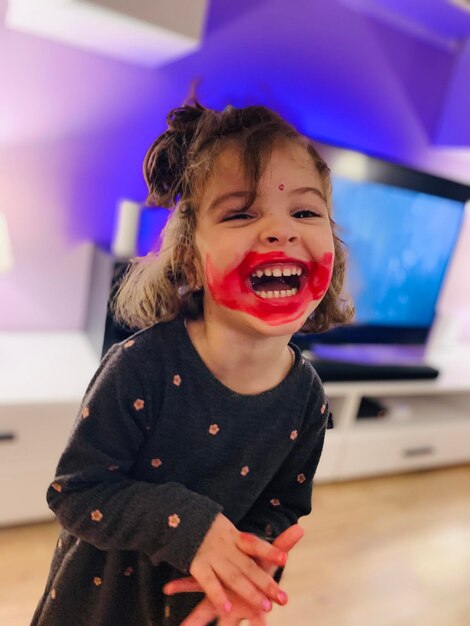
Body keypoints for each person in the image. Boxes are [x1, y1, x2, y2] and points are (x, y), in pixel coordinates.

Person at [31, 100, 353, 626]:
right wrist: (191, 526)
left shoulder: (307, 400)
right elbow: (76, 493)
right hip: (95, 606)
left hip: (198, 608)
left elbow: (280, 507)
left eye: (305, 212)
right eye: (241, 213)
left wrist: (252, 570)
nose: (281, 230)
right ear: (188, 259)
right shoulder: (140, 366)